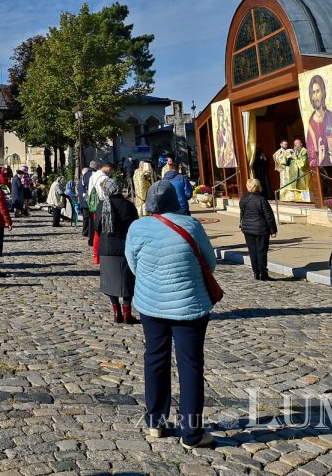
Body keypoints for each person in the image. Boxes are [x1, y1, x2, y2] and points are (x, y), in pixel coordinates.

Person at [125, 179, 218, 449]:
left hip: (151, 304)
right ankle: (192, 433)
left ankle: (155, 421)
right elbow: (210, 262)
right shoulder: (192, 225)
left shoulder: (138, 227)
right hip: (189, 305)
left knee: (155, 357)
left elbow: (133, 265)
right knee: (190, 365)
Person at [97, 171, 140, 323]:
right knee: (128, 280)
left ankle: (116, 311)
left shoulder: (102, 205)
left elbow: (97, 227)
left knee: (109, 281)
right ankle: (127, 312)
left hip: (107, 248)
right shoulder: (128, 205)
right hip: (125, 247)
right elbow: (135, 225)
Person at [304, 74, 332, 167]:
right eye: (313, 92)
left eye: (317, 91)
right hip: (322, 174)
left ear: (323, 92)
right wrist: (319, 159)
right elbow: (311, 159)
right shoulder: (310, 126)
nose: (315, 96)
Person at [238, 178, 277, 280]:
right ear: (258, 186)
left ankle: (256, 273)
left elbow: (242, 214)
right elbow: (268, 215)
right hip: (261, 229)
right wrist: (273, 230)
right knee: (261, 251)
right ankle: (263, 273)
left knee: (252, 251)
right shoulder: (261, 199)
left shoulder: (244, 199)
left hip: (248, 228)